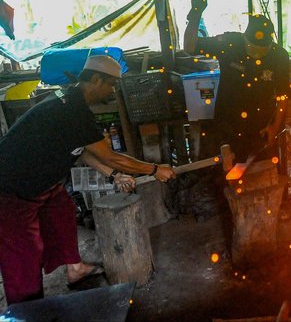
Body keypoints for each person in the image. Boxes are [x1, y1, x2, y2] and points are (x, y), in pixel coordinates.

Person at [0, 54, 176, 305]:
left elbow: (81, 149)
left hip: (41, 184)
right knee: (23, 255)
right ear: (96, 80)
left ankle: (75, 269)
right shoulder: (72, 111)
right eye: (111, 84)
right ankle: (25, 311)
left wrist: (113, 176)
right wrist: (154, 169)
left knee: (61, 211)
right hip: (10, 190)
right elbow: (112, 156)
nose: (113, 91)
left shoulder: (70, 101)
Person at [184, 0, 290, 162]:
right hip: (226, 124)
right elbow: (190, 47)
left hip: (260, 127)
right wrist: (195, 15)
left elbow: (283, 95)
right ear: (244, 38)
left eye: (262, 51)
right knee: (220, 174)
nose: (256, 55)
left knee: (260, 172)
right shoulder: (229, 43)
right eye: (252, 49)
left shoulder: (280, 56)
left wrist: (275, 127)